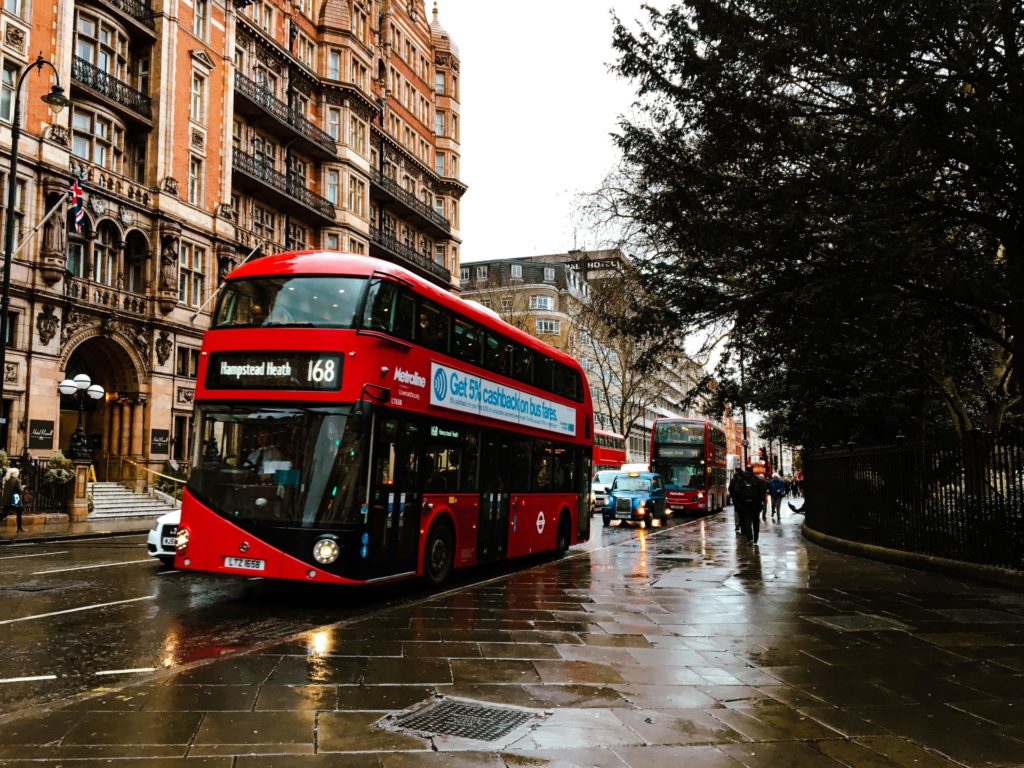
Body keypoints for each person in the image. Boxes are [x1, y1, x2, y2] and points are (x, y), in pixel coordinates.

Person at [729, 467, 766, 545]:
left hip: (745, 505)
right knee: (756, 522)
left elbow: (736, 491)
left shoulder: (741, 479)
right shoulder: (756, 479)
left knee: (747, 522)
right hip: (756, 505)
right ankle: (756, 539)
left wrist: (739, 503)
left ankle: (750, 539)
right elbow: (763, 491)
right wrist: (761, 502)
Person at [1, 467, 25, 532]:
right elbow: (20, 491)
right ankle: (19, 528)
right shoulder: (17, 480)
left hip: (7, 500)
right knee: (19, 514)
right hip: (15, 500)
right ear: (16, 474)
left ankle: (19, 528)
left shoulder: (6, 479)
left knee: (4, 514)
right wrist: (22, 487)